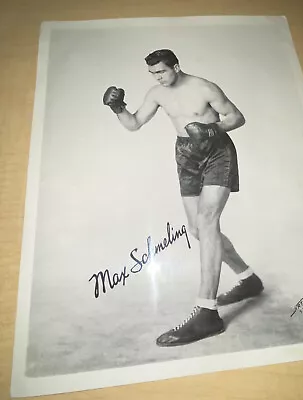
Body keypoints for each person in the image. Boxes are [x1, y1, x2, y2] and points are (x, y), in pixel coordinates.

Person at [103, 49, 264, 347]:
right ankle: (248, 278)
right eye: (152, 73)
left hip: (217, 153)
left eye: (162, 72)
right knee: (198, 231)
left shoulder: (204, 88)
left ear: (176, 66)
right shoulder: (157, 93)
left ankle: (207, 310)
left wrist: (212, 129)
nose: (158, 78)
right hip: (186, 156)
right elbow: (134, 123)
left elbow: (237, 117)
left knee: (207, 221)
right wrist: (118, 108)